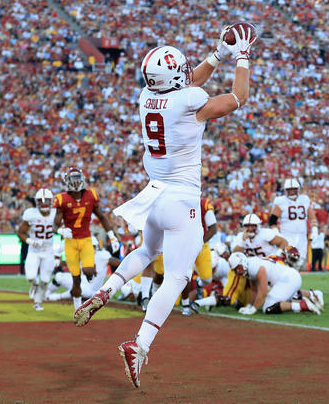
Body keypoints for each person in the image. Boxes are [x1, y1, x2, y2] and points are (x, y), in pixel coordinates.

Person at [73, 25, 254, 388]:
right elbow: (238, 97)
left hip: (153, 194)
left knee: (146, 250)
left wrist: (216, 56)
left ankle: (106, 291)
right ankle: (139, 344)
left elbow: (185, 82)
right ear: (174, 77)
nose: (189, 72)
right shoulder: (189, 101)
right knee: (175, 277)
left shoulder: (145, 96)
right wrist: (241, 56)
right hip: (181, 199)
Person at [54, 167, 120, 312]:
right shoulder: (62, 199)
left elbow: (102, 217)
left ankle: (88, 282)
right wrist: (61, 230)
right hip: (70, 243)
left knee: (89, 270)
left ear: (82, 178)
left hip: (85, 240)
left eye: (77, 178)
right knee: (76, 278)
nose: (75, 181)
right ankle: (78, 307)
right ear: (67, 181)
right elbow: (55, 224)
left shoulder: (91, 195)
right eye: (72, 179)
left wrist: (112, 236)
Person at [150, 196, 218, 315]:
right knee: (184, 275)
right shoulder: (176, 203)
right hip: (183, 244)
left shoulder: (203, 204)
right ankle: (185, 304)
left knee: (207, 279)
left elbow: (213, 228)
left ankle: (198, 285)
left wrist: (199, 243)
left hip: (201, 244)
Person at [226, 252, 323, 316]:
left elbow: (263, 292)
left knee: (268, 307)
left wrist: (254, 309)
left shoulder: (254, 266)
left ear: (243, 263)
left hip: (287, 279)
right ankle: (314, 294)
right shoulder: (248, 267)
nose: (237, 272)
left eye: (237, 268)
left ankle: (303, 305)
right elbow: (254, 290)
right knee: (285, 296)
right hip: (289, 278)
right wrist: (249, 306)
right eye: (235, 270)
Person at [17, 189, 58, 311]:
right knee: (30, 276)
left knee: (45, 280)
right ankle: (34, 284)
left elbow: (62, 230)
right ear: (36, 201)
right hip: (34, 250)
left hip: (49, 250)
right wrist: (32, 241)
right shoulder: (31, 213)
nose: (44, 203)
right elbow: (20, 233)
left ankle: (38, 303)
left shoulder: (56, 213)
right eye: (41, 200)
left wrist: (59, 251)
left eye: (47, 201)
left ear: (52, 201)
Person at [47, 236, 120, 301]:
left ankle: (58, 297)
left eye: (93, 246)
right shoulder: (82, 255)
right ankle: (46, 294)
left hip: (93, 290)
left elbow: (119, 263)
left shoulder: (102, 255)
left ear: (96, 247)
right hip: (81, 282)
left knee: (80, 288)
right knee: (59, 276)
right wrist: (53, 261)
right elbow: (67, 262)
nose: (91, 249)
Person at [268, 178, 314, 270]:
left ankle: (295, 282)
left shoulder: (304, 199)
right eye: (289, 190)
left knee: (300, 261)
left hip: (302, 236)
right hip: (287, 235)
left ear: (298, 189)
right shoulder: (280, 201)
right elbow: (272, 221)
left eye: (294, 189)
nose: (292, 192)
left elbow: (312, 217)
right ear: (285, 190)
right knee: (288, 260)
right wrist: (277, 233)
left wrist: (315, 230)